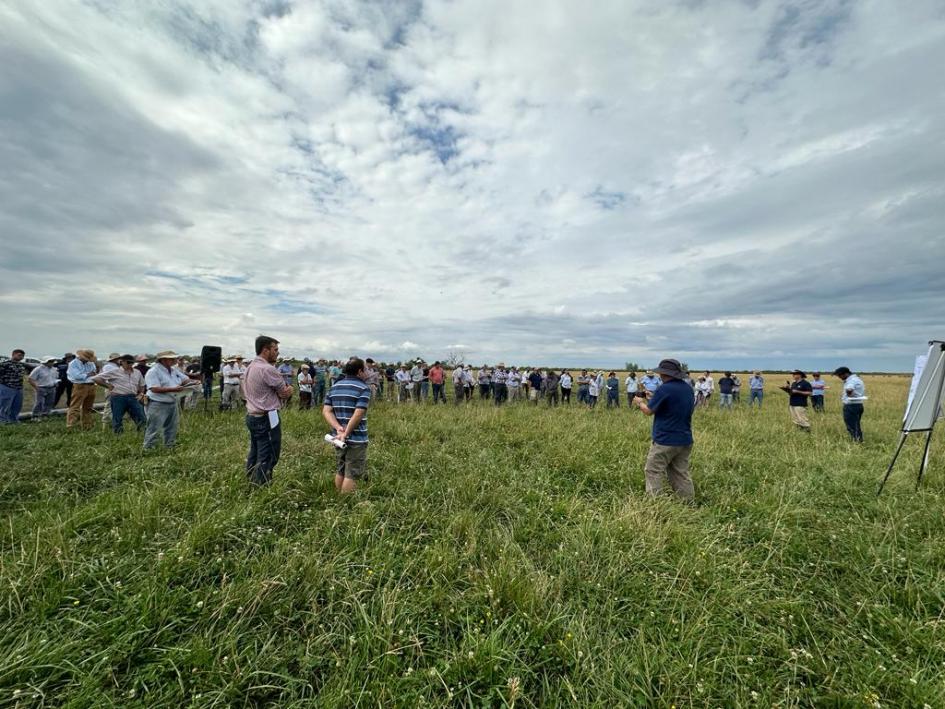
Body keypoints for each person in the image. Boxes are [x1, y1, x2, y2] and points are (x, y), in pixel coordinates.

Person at [634, 359, 696, 502]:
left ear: (663, 373)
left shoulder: (665, 388)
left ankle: (656, 504)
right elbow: (673, 406)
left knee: (653, 470)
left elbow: (649, 411)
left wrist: (640, 403)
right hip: (685, 438)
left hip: (665, 439)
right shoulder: (687, 388)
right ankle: (687, 502)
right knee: (680, 472)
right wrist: (652, 397)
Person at [243, 336, 293, 485]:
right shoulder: (267, 369)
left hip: (252, 415)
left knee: (256, 450)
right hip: (267, 417)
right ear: (266, 350)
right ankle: (261, 486)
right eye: (275, 349)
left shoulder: (251, 367)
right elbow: (284, 392)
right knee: (269, 453)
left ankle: (251, 480)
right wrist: (290, 389)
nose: (277, 353)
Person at [323, 357, 372, 494]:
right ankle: (346, 503)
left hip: (338, 438)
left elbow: (327, 411)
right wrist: (347, 432)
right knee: (352, 473)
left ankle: (338, 498)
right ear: (359, 371)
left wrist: (338, 428)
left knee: (341, 469)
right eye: (366, 369)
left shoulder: (335, 387)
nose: (367, 372)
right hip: (356, 438)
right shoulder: (363, 388)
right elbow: (358, 413)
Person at [143, 350, 199, 449]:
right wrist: (173, 389)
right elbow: (153, 388)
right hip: (157, 403)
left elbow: (185, 379)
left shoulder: (173, 370)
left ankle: (169, 446)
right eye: (172, 358)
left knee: (172, 426)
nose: (174, 360)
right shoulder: (153, 371)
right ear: (163, 360)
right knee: (154, 427)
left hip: (172, 401)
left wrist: (194, 382)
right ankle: (149, 448)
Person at [92, 354, 146, 433]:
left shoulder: (137, 372)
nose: (130, 364)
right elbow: (96, 378)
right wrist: (107, 386)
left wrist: (141, 394)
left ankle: (142, 433)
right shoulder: (114, 371)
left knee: (141, 417)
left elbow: (142, 384)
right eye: (128, 362)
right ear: (122, 362)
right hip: (118, 397)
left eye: (132, 363)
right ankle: (118, 435)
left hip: (133, 397)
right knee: (117, 418)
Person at [66, 349, 99, 429]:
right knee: (75, 406)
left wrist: (87, 375)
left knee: (88, 407)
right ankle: (70, 425)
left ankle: (87, 425)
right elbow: (76, 376)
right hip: (80, 386)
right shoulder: (73, 364)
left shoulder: (90, 363)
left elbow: (94, 373)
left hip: (91, 385)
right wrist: (88, 374)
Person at [833, 366, 866, 442]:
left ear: (846, 374)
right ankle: (858, 439)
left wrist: (849, 394)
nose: (839, 377)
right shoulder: (857, 379)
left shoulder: (851, 380)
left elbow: (849, 389)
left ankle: (857, 441)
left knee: (852, 426)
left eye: (839, 375)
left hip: (851, 406)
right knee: (856, 424)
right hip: (858, 405)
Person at [0, 349, 27, 424]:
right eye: (19, 355)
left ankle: (14, 420)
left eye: (22, 356)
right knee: (4, 405)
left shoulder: (21, 365)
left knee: (17, 406)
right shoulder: (5, 364)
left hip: (18, 388)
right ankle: (2, 421)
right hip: (7, 387)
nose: (21, 357)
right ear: (13, 354)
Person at [27, 356, 59, 420]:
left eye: (52, 362)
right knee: (39, 402)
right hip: (41, 387)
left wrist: (56, 383)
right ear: (45, 362)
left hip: (52, 388)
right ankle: (35, 416)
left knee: (49, 402)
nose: (52, 363)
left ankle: (45, 415)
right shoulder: (38, 369)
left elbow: (55, 378)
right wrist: (36, 387)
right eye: (50, 361)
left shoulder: (54, 369)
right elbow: (30, 379)